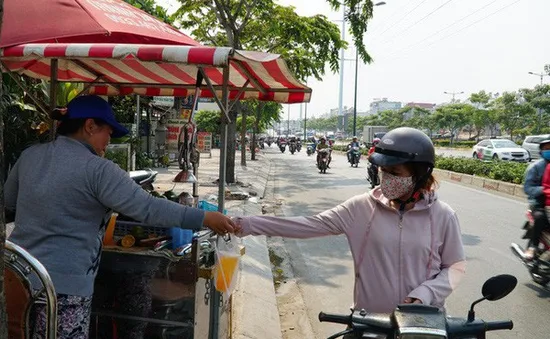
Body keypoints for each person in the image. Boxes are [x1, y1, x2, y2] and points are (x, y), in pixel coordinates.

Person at [4, 95, 236, 339]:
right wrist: (205, 217)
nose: (108, 141)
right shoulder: (98, 169)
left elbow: (9, 203)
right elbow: (148, 208)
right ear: (90, 126)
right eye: (108, 132)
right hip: (64, 289)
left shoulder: (29, 156)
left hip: (18, 278)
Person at [233, 127, 465, 317]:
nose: (386, 178)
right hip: (369, 323)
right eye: (383, 170)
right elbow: (307, 225)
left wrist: (427, 292)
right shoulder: (360, 207)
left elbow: (454, 268)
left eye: (394, 171)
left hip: (422, 323)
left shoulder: (443, 216)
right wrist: (247, 224)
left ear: (420, 173)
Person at [524, 139, 550, 259]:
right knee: (539, 217)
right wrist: (544, 190)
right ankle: (533, 246)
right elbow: (528, 188)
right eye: (546, 148)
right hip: (539, 203)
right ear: (541, 151)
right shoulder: (535, 167)